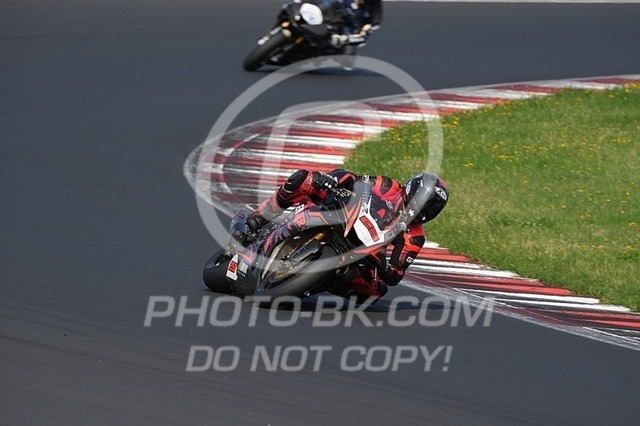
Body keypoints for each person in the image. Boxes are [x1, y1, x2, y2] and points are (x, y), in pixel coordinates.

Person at [245, 168, 448, 303]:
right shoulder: (388, 186)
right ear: (413, 188)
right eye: (424, 200)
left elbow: (395, 274)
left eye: (432, 207)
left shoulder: (414, 237)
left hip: (363, 251)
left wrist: (383, 266)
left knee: (374, 291)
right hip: (343, 213)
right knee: (305, 179)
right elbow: (352, 179)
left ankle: (315, 282)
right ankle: (260, 218)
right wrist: (332, 180)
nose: (425, 207)